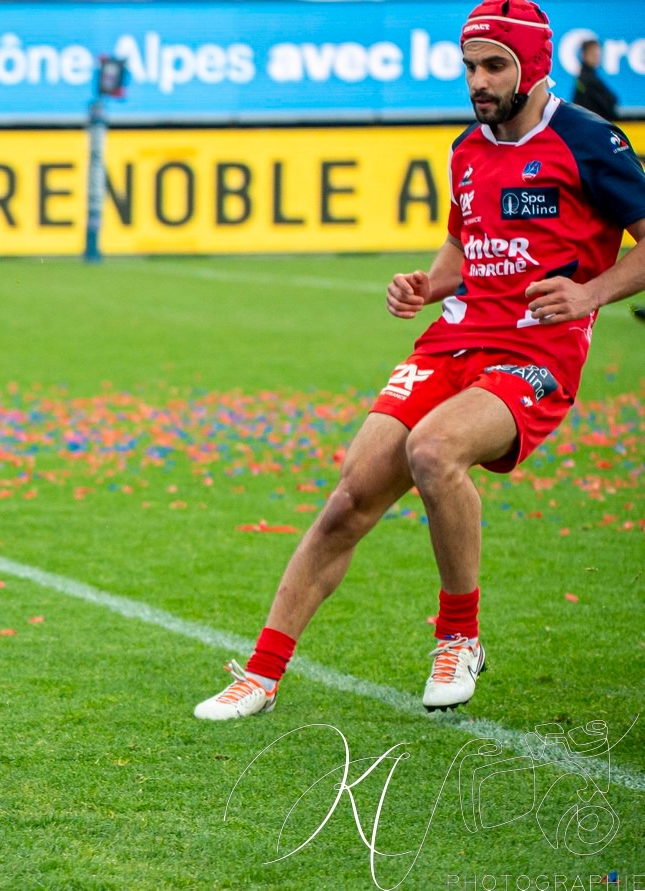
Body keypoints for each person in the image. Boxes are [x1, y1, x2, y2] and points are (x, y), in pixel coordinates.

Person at [193, 0, 645, 720]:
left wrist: (590, 293)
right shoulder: (466, 148)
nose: (477, 80)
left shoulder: (591, 141)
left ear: (533, 66)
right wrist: (427, 283)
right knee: (350, 497)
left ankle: (459, 637)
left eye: (493, 65)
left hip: (535, 352)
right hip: (452, 341)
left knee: (432, 450)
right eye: (469, 66)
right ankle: (262, 673)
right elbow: (464, 244)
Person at [572, 37, 618, 121]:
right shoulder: (586, 80)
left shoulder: (589, 78)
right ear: (584, 55)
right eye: (593, 54)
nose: (596, 57)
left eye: (598, 54)